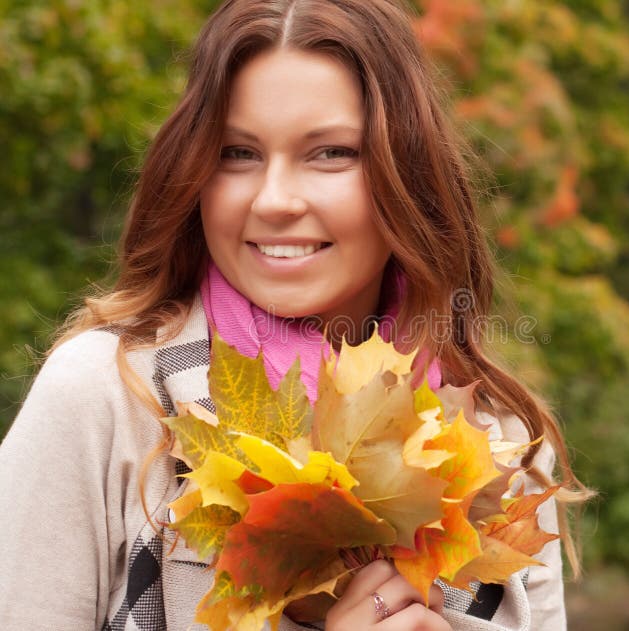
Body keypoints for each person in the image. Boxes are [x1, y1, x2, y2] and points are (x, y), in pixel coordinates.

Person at [0, 1, 591, 629]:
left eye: (330, 153)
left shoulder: (497, 445)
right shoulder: (107, 399)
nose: (275, 199)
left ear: (406, 173)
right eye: (237, 153)